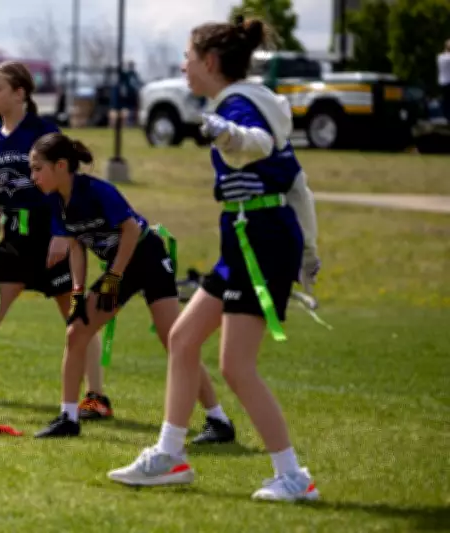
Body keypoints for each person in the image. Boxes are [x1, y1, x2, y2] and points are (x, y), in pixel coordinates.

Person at [107, 17, 321, 502]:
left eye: (187, 57)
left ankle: (293, 475)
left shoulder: (238, 105)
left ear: (209, 62)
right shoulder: (247, 101)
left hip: (260, 239)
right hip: (246, 238)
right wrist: (309, 249)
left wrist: (227, 132)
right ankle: (169, 456)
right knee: (182, 339)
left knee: (235, 366)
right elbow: (298, 182)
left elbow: (259, 146)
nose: (182, 66)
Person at [0, 61, 110, 421]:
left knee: (77, 320)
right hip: (13, 240)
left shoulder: (44, 132)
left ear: (20, 93)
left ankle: (97, 398)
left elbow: (67, 188)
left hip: (50, 238)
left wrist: (62, 234)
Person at [26, 134, 179, 438]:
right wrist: (79, 292)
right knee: (76, 331)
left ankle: (218, 420)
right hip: (121, 268)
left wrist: (113, 277)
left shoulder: (96, 191)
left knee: (176, 343)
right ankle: (68, 418)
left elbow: (132, 230)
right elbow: (76, 246)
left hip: (147, 257)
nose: (33, 177)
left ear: (61, 166)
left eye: (37, 168)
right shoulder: (56, 201)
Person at [438, 39, 450, 121]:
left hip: (442, 81)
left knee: (445, 100)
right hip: (449, 81)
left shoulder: (440, 57)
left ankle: (446, 116)